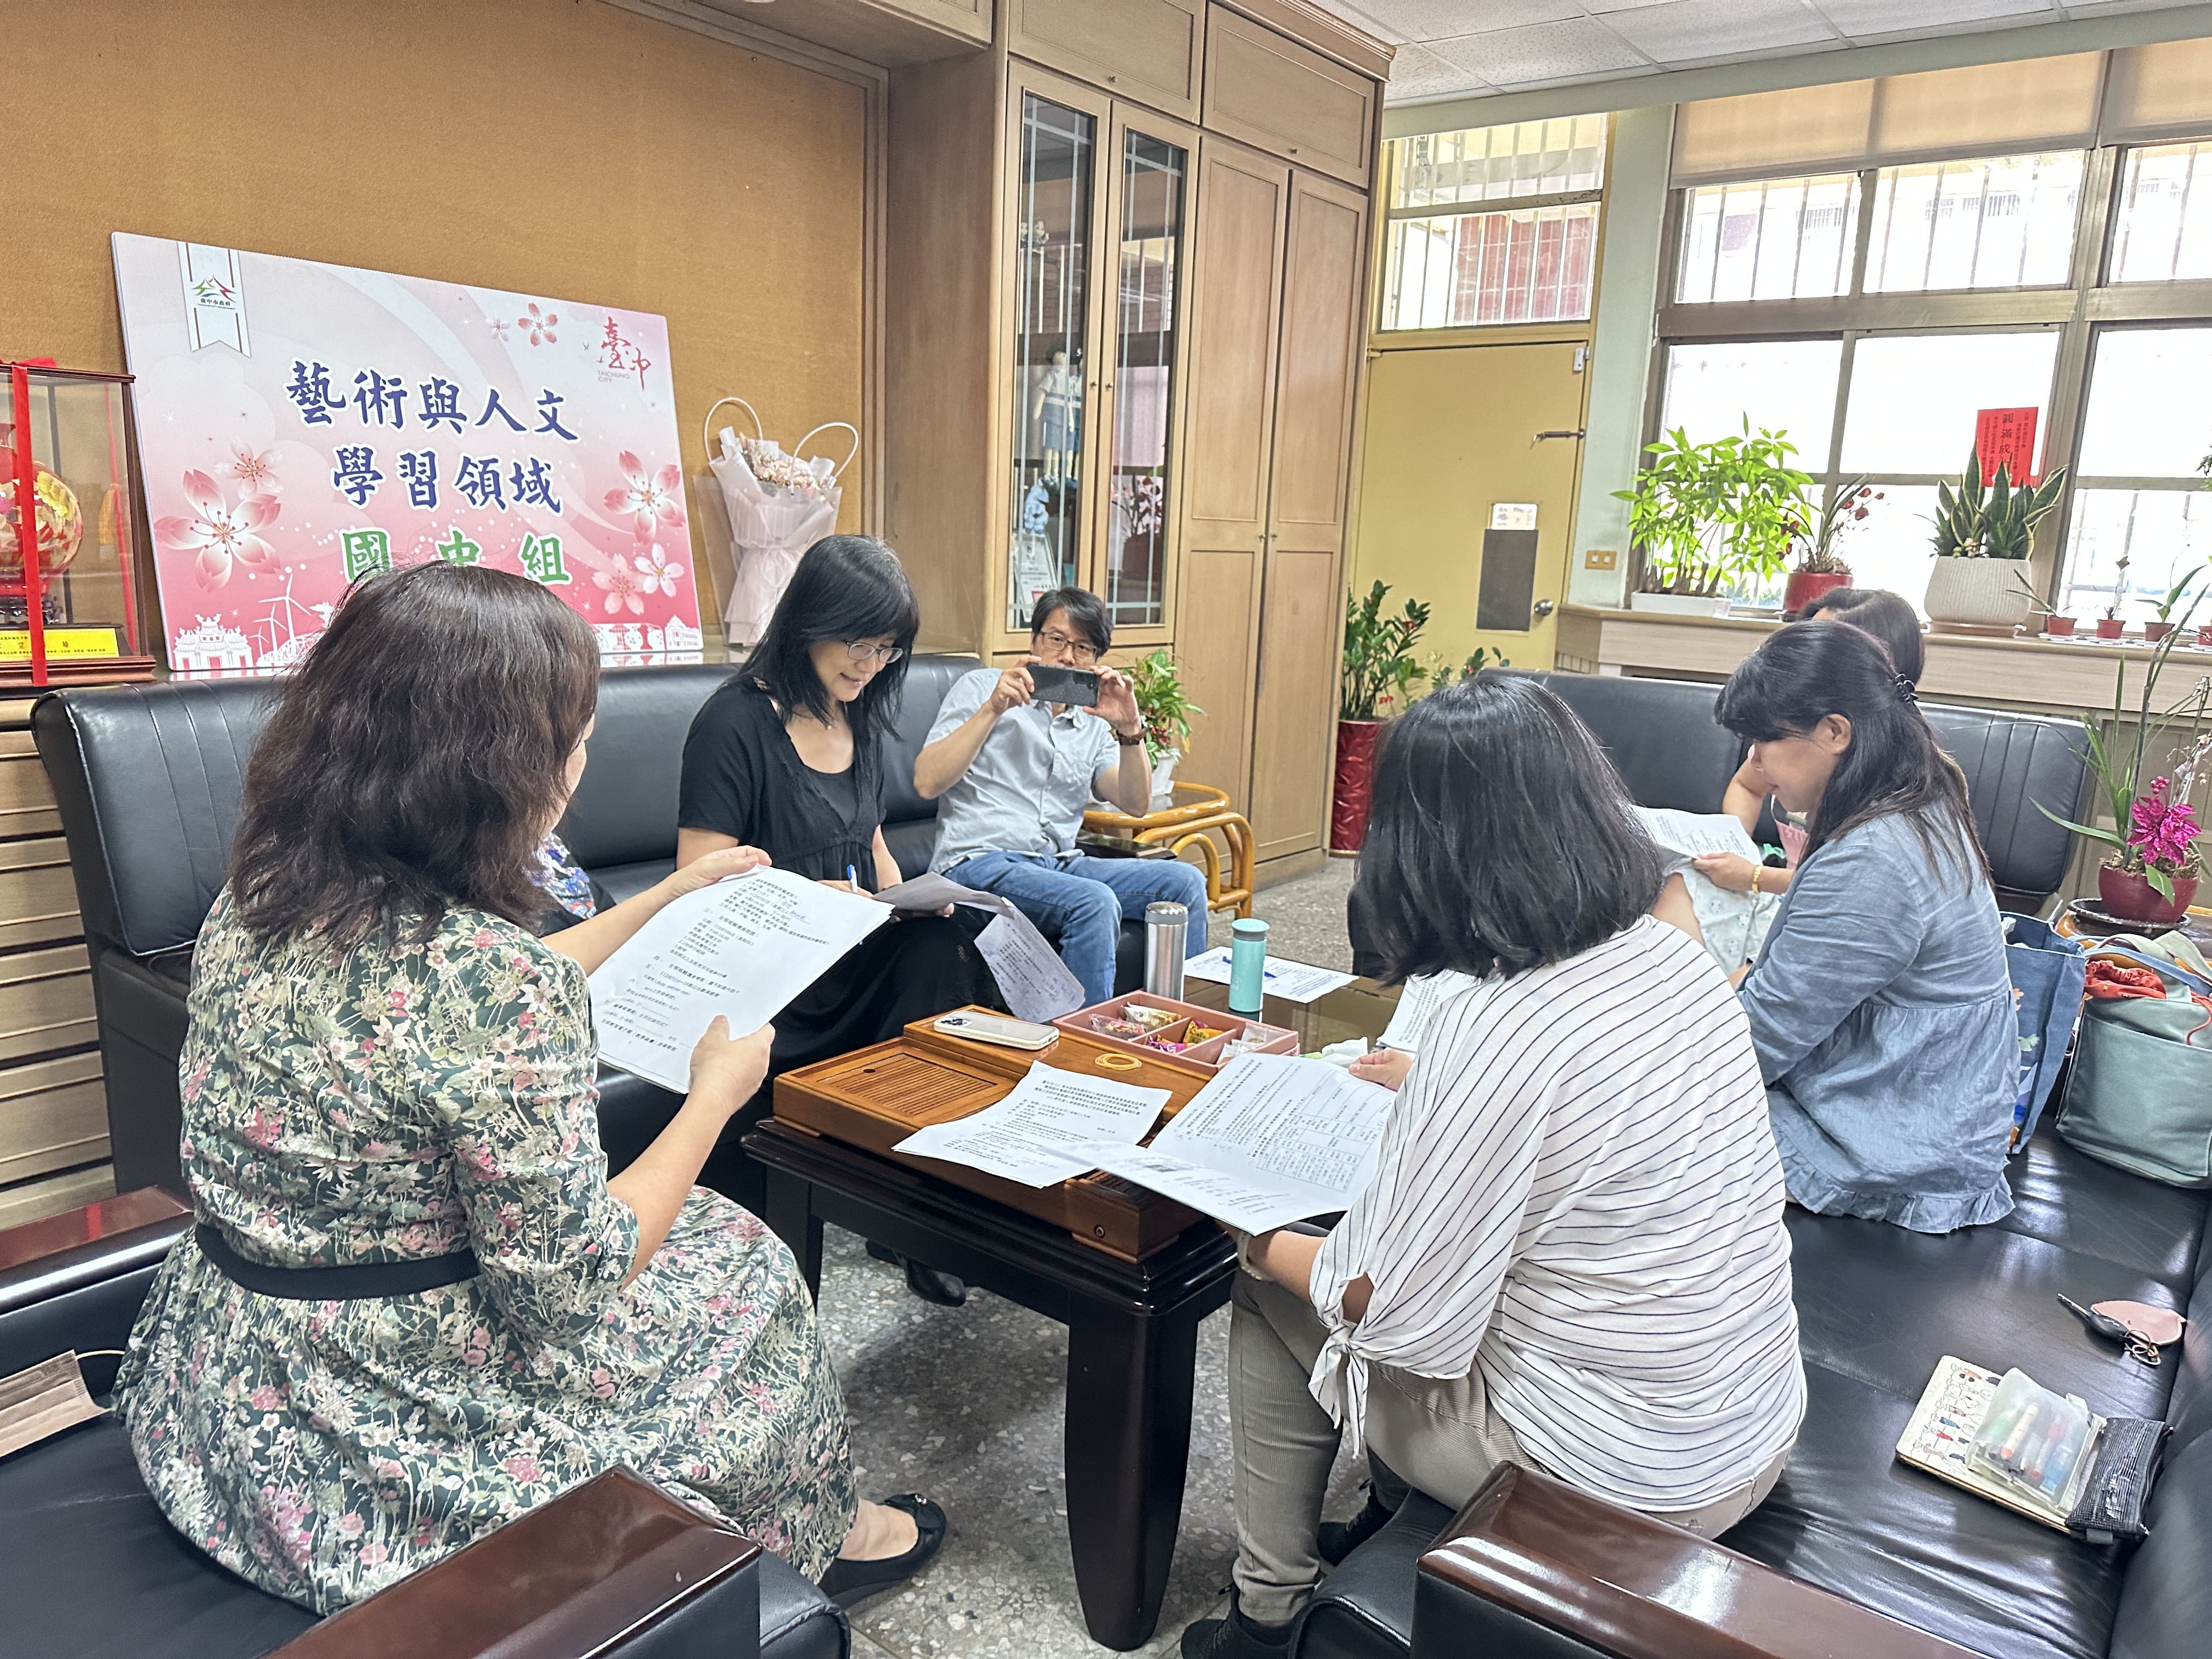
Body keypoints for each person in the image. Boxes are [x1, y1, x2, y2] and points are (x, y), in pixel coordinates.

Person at [115, 562, 942, 1617]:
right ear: (502, 769)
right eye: (576, 738)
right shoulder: (503, 987)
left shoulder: (258, 895)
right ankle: (825, 1532)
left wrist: (671, 894)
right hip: (388, 1418)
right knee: (747, 1262)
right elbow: (568, 1292)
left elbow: (459, 1002)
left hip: (229, 1370)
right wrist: (713, 1095)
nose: (580, 765)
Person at [1182, 674, 1804, 1659]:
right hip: (1746, 1426)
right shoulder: (1670, 951)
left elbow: (1393, 1315)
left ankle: (1266, 1615)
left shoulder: (1496, 1023)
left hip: (1622, 1483)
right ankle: (1388, 1514)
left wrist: (1250, 1233)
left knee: (1272, 1289)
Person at [678, 534, 1000, 1306]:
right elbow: (696, 885)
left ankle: (925, 1204)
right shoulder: (734, 724)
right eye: (859, 644)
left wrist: (905, 898)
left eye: (887, 650)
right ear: (810, 623)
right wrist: (812, 902)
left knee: (943, 944)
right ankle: (907, 1208)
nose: (871, 664)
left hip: (846, 959)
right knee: (935, 961)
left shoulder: (859, 716)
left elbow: (872, 842)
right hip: (771, 984)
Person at [1716, 621, 2016, 1232]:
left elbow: (1757, 1045)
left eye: (1764, 740)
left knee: (1616, 1125)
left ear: (1835, 731)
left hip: (1888, 1148)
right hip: (1922, 1117)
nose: (1755, 761)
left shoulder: (1873, 859)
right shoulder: (1921, 798)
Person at [914, 586, 1209, 1005]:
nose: (1068, 657)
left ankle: (1186, 1023)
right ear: (1034, 642)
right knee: (1093, 902)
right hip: (976, 864)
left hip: (1059, 864)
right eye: (1057, 640)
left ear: (1096, 660)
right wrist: (993, 709)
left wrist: (1129, 727)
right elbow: (927, 783)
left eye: (1083, 647)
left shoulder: (1092, 722)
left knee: (1185, 883)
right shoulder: (983, 687)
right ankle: (1083, 1043)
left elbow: (1135, 803)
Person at [1703, 589, 1927, 898]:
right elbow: (1747, 787)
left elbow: (1841, 884)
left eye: (1822, 644)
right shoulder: (1790, 743)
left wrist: (1754, 876)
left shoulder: (1894, 795)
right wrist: (1735, 847)